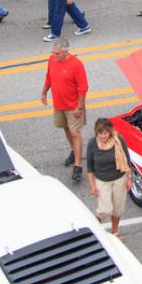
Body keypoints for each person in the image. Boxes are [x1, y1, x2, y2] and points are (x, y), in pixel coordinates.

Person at [42, 38, 88, 183]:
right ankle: (75, 152)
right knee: (66, 130)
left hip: (73, 106)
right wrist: (44, 92)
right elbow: (49, 77)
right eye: (53, 53)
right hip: (59, 105)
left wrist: (79, 107)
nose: (55, 56)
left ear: (66, 52)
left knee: (75, 133)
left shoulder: (76, 65)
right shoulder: (51, 60)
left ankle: (78, 166)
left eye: (58, 54)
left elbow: (83, 88)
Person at [87, 117, 131, 236]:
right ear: (96, 133)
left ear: (110, 131)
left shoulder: (119, 140)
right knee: (105, 209)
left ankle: (115, 232)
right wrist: (92, 186)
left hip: (119, 179)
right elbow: (89, 167)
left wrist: (129, 179)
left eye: (105, 133)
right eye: (100, 133)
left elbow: (127, 160)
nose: (103, 136)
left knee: (118, 209)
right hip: (102, 180)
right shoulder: (92, 143)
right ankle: (92, 228)